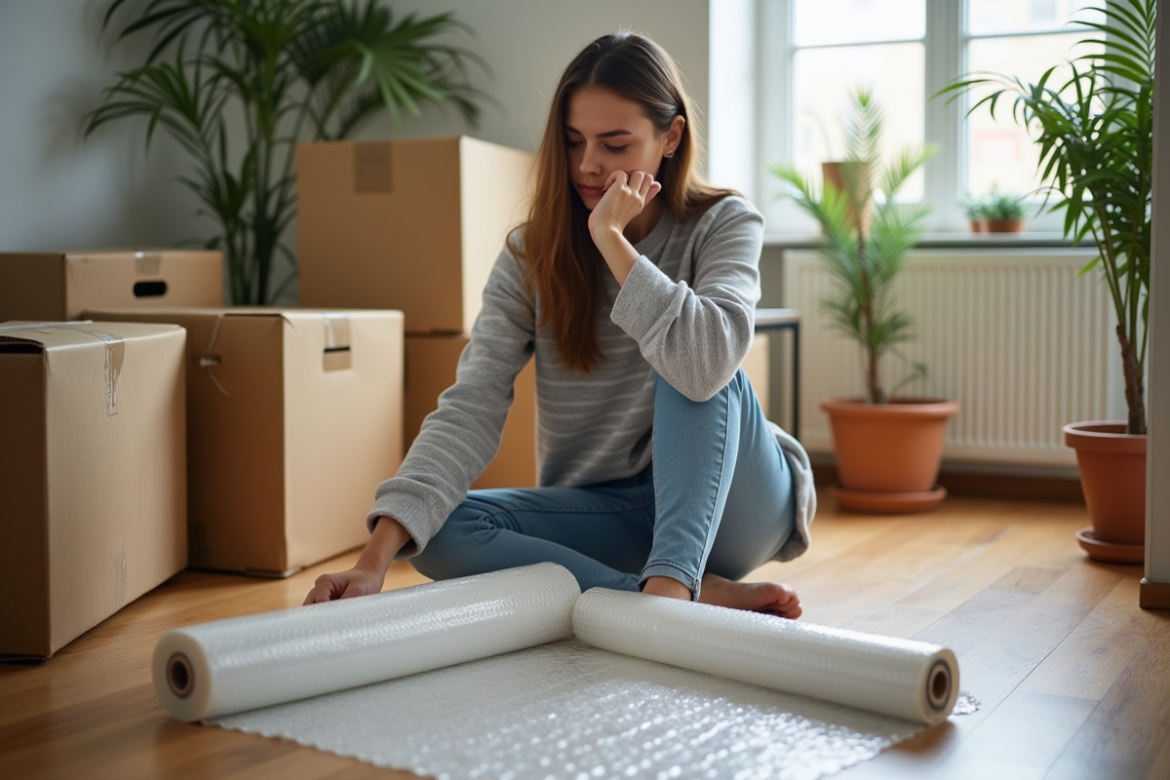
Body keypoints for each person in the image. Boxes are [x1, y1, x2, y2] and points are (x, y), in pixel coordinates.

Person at [304, 31, 815, 616]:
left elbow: (705, 365)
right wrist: (372, 562)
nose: (588, 166)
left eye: (615, 145)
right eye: (574, 143)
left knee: (689, 358)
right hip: (611, 510)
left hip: (734, 505)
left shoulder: (724, 221)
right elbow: (471, 404)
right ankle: (659, 594)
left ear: (670, 136)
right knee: (435, 532)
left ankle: (673, 590)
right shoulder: (531, 254)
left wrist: (612, 241)